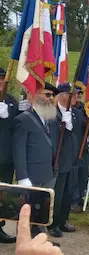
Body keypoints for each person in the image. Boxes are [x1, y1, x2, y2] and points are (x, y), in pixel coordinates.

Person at [14, 83, 61, 237]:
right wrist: (22, 177)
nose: (51, 99)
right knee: (30, 211)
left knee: (43, 210)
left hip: (48, 172)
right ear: (35, 95)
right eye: (47, 95)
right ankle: (29, 242)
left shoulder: (50, 119)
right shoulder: (23, 119)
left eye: (52, 96)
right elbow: (18, 150)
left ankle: (40, 238)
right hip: (32, 174)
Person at [48, 83, 84, 238]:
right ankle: (53, 223)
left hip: (72, 159)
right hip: (58, 160)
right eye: (72, 95)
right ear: (62, 95)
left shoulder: (75, 113)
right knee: (58, 193)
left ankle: (63, 220)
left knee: (69, 193)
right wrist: (62, 124)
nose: (75, 97)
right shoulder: (52, 113)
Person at [0, 67, 20, 243]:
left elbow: (18, 125)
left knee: (3, 194)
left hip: (7, 158)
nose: (0, 83)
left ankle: (0, 228)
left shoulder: (11, 100)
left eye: (2, 79)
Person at [71, 87, 89, 212]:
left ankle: (80, 197)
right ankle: (73, 200)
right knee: (74, 175)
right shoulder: (70, 109)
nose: (78, 96)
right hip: (74, 146)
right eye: (76, 94)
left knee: (83, 174)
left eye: (80, 94)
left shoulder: (85, 108)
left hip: (85, 147)